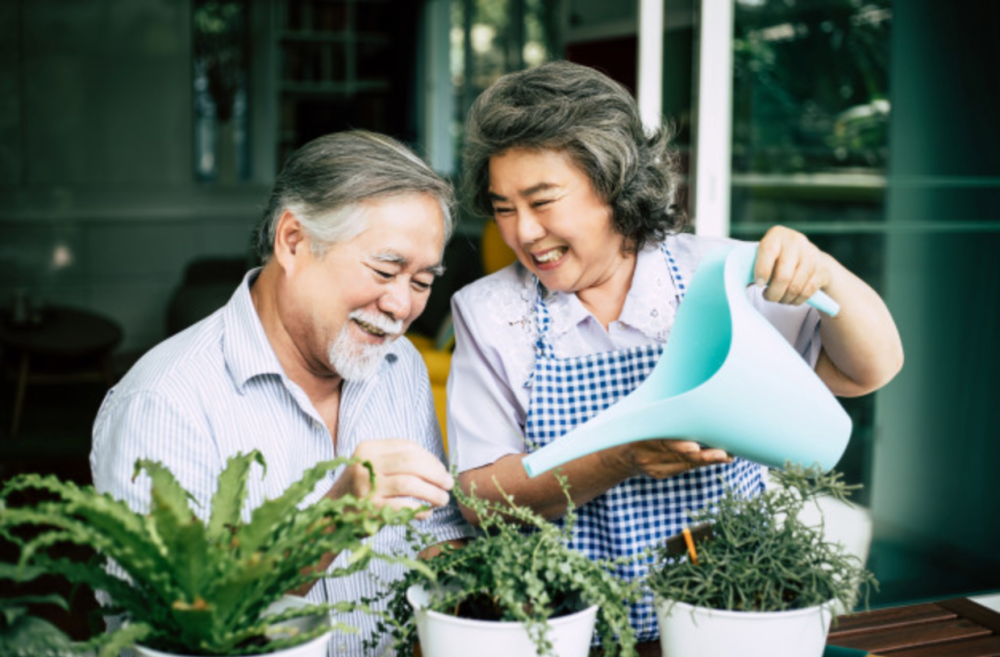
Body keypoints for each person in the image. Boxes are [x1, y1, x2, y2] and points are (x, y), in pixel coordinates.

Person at [447, 60, 904, 642]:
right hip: (571, 631)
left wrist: (828, 275)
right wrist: (621, 456)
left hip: (726, 615)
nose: (523, 233)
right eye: (504, 207)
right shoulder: (490, 312)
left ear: (611, 181)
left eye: (543, 201)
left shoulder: (718, 275)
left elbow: (867, 370)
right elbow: (482, 498)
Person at [90, 130, 474, 657]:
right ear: (293, 240)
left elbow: (437, 534)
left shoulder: (399, 364)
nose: (401, 305)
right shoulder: (163, 401)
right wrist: (332, 519)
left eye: (423, 281)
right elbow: (173, 629)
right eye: (386, 270)